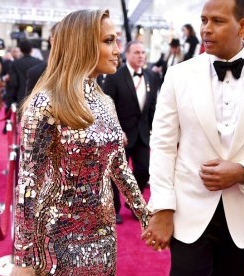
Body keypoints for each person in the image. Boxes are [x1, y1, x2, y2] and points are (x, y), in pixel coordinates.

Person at [142, 0, 244, 275]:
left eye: (217, 21)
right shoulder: (179, 75)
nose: (206, 29)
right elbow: (163, 145)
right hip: (187, 211)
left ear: (243, 26)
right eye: (204, 20)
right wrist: (162, 208)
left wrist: (243, 171)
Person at [11, 9, 149, 276]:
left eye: (117, 40)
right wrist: (23, 257)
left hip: (104, 234)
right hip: (56, 237)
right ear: (82, 43)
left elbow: (118, 167)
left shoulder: (106, 102)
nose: (117, 49)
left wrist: (144, 213)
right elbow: (28, 183)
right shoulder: (45, 103)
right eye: (108, 41)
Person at [103, 40, 159, 224]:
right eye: (136, 52)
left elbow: (151, 106)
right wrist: (117, 131)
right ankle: (115, 208)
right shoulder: (114, 77)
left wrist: (155, 130)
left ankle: (133, 202)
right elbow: (107, 108)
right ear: (127, 55)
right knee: (116, 174)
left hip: (142, 134)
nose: (141, 55)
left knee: (144, 170)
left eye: (143, 52)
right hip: (121, 135)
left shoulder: (151, 76)